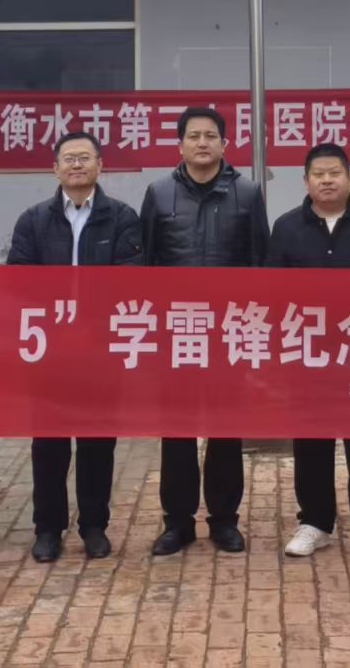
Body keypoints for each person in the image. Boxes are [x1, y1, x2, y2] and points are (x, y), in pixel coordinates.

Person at [6, 130, 144, 563]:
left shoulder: (122, 218)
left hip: (100, 348)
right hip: (49, 349)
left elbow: (130, 279)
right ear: (55, 169)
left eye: (85, 157)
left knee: (97, 441)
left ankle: (94, 526)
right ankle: (48, 528)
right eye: (69, 158)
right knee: (48, 442)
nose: (77, 165)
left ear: (101, 165)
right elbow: (18, 280)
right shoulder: (33, 220)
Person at [138, 106, 270, 556]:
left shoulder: (247, 193)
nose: (202, 143)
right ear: (180, 145)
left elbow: (259, 263)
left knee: (225, 429)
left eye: (210, 135)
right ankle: (177, 523)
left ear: (225, 144)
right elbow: (146, 264)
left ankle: (224, 520)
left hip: (229, 331)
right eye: (193, 135)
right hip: (177, 331)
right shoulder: (159, 194)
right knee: (176, 431)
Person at [270, 143, 350, 562]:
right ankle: (315, 522)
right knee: (311, 440)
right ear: (305, 181)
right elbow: (272, 294)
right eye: (318, 174)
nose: (327, 181)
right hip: (308, 354)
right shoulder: (286, 228)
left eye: (335, 173)